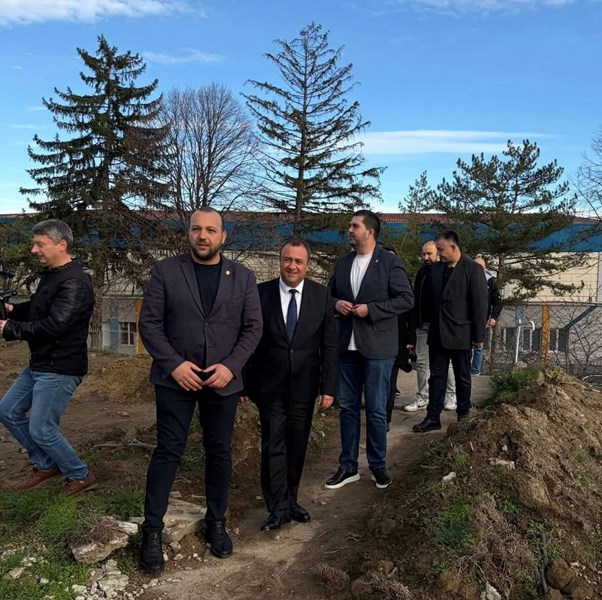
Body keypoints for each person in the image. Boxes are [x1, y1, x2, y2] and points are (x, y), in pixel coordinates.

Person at [138, 207, 262, 572]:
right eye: (196, 229)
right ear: (188, 233)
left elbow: (253, 328)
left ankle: (216, 522)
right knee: (168, 451)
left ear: (224, 236)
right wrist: (174, 364)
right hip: (175, 379)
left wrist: (231, 366)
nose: (203, 236)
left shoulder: (243, 277)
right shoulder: (166, 271)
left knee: (219, 452)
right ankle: (152, 531)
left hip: (221, 381)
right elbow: (149, 324)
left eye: (210, 230)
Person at [243, 238, 338, 532]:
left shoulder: (322, 296)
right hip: (268, 384)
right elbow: (247, 339)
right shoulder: (260, 294)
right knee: (273, 443)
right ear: (280, 261)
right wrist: (242, 383)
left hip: (305, 385)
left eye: (298, 261)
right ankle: (277, 507)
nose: (292, 266)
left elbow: (329, 345)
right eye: (287, 259)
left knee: (297, 443)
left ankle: (291, 500)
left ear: (307, 266)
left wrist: (328, 387)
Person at [0, 219, 96, 497]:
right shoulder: (54, 275)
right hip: (41, 363)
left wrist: (10, 328)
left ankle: (79, 475)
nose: (34, 250)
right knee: (7, 411)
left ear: (61, 245)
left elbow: (55, 326)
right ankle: (45, 464)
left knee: (41, 428)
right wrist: (12, 310)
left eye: (40, 244)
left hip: (61, 367)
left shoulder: (75, 282)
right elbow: (38, 308)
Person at [325, 210, 414, 490]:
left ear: (370, 232)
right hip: (346, 348)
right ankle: (348, 466)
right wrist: (336, 303)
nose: (349, 230)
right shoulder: (343, 263)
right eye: (349, 226)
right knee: (347, 409)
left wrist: (371, 310)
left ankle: (377, 465)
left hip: (378, 349)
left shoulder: (389, 262)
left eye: (354, 226)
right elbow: (328, 294)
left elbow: (406, 299)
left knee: (376, 410)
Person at [412, 231, 488, 433]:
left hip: (461, 333)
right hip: (437, 333)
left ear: (453, 248)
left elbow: (480, 304)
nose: (438, 253)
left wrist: (478, 336)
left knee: (462, 377)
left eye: (441, 249)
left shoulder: (472, 269)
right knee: (436, 376)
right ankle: (432, 417)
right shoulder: (436, 269)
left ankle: (463, 416)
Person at [404, 241, 457, 412]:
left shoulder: (447, 272)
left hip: (442, 326)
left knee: (447, 363)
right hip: (422, 325)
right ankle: (423, 396)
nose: (426, 257)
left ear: (438, 254)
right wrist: (413, 327)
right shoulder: (422, 272)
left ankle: (451, 395)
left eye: (429, 254)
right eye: (424, 254)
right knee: (422, 363)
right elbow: (415, 300)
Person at [470, 257, 502, 375]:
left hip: (481, 319)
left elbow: (497, 302)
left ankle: (475, 370)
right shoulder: (466, 278)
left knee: (478, 345)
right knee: (466, 346)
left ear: (485, 268)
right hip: (465, 318)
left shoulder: (490, 281)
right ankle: (464, 369)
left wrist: (494, 317)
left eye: (480, 267)